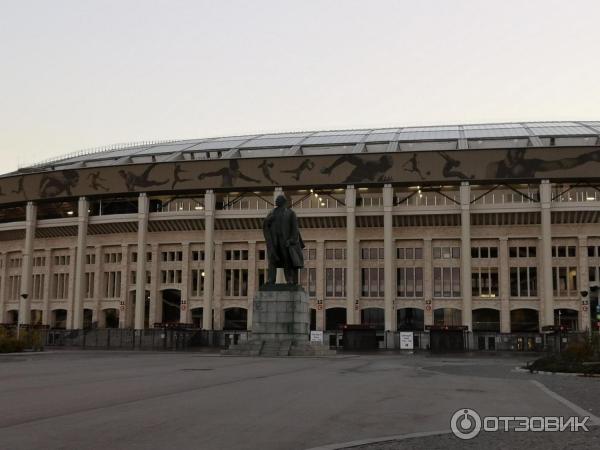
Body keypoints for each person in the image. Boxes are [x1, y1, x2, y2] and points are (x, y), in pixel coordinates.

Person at [263, 195, 305, 285]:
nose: (277, 201)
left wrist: (291, 240)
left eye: (279, 200)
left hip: (285, 241)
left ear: (284, 202)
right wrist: (267, 221)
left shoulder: (290, 213)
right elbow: (265, 224)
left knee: (287, 259)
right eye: (276, 200)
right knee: (272, 260)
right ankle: (271, 279)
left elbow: (295, 229)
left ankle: (289, 279)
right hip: (275, 241)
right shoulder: (271, 213)